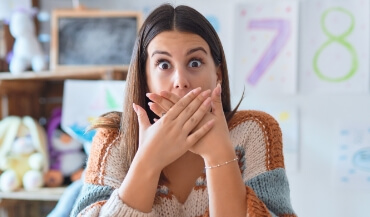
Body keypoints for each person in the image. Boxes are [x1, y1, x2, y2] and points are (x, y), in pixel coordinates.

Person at [71, 4, 297, 217]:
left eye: (195, 63)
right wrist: (148, 161)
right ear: (145, 77)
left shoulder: (255, 130)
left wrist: (219, 155)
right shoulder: (113, 140)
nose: (180, 81)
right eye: (164, 64)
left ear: (217, 74)